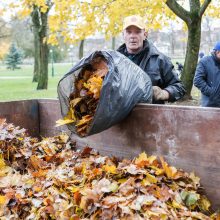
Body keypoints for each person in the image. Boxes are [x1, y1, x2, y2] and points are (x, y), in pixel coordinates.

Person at [117, 15, 186, 104]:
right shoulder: (114, 61)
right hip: (121, 116)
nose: (132, 36)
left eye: (137, 32)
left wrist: (164, 93)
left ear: (145, 35)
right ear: (123, 35)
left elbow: (179, 87)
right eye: (129, 32)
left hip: (151, 115)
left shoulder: (160, 60)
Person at [193, 41, 220, 107]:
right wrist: (213, 93)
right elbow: (197, 80)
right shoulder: (205, 62)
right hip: (210, 105)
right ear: (217, 52)